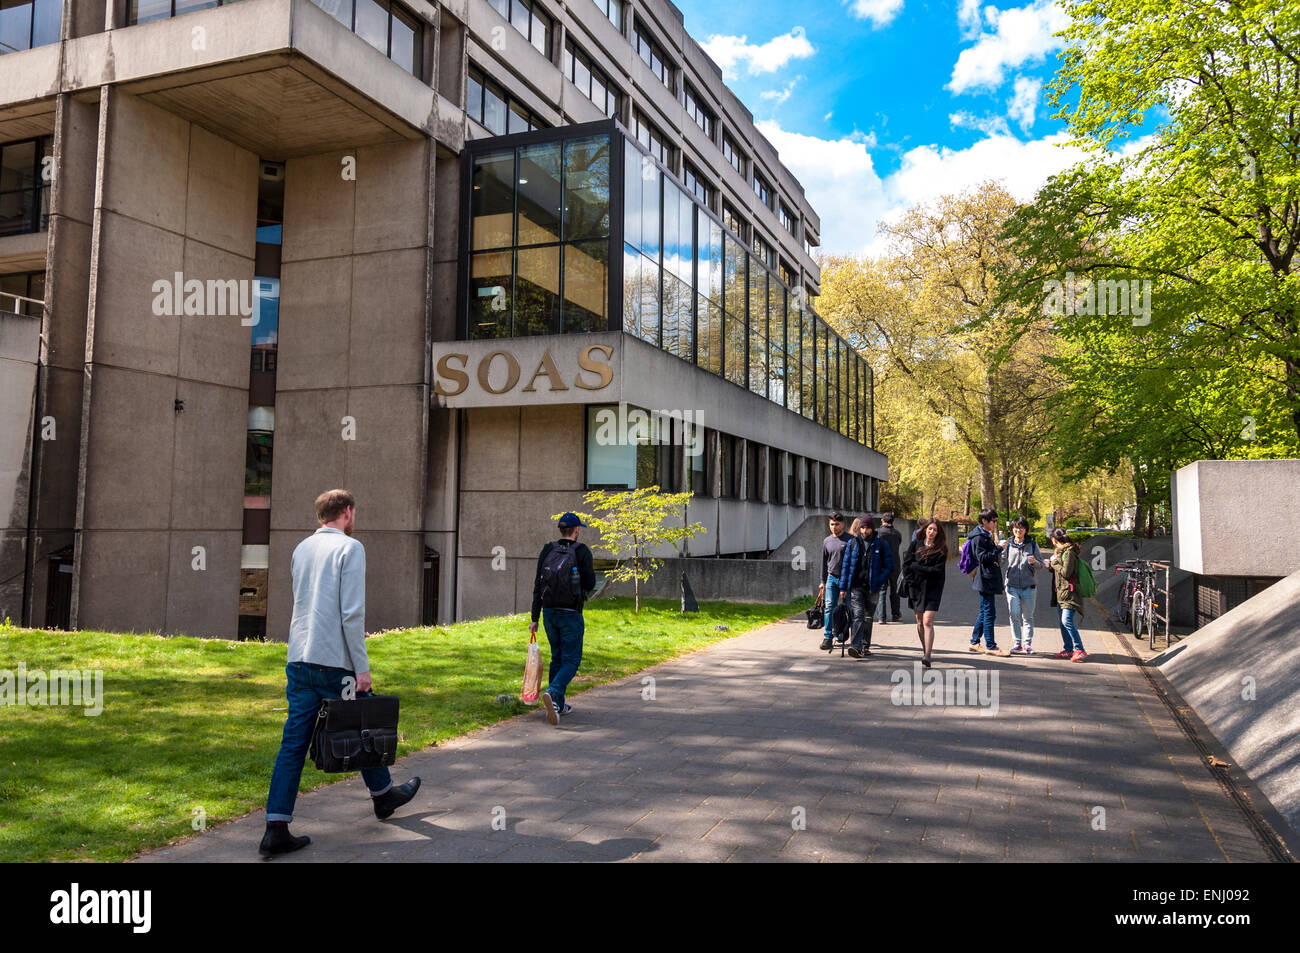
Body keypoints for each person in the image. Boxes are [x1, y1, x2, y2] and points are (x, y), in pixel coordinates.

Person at [260, 489, 421, 858]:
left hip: (299, 658)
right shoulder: (351, 548)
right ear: (347, 513)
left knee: (293, 743)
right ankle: (383, 796)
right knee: (362, 725)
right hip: (335, 663)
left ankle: (276, 826)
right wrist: (361, 668)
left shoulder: (301, 549)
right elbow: (351, 613)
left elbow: (309, 603)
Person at [531, 512, 597, 726]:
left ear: (561, 530)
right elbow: (590, 583)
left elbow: (538, 585)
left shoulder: (547, 550)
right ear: (576, 530)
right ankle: (553, 691)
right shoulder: (582, 551)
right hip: (571, 613)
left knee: (557, 657)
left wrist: (534, 617)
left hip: (549, 613)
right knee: (571, 660)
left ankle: (558, 705)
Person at [838, 515, 895, 658]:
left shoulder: (881, 544)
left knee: (868, 618)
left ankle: (865, 645)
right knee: (858, 616)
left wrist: (880, 579)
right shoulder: (852, 543)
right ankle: (855, 646)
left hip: (873, 587)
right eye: (862, 528)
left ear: (872, 528)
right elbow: (845, 567)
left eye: (867, 528)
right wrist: (843, 588)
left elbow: (889, 566)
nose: (864, 531)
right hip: (856, 587)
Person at [902, 519, 948, 668]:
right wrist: (910, 580)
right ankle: (925, 649)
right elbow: (907, 564)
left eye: (935, 530)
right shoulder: (916, 544)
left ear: (938, 532)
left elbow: (938, 571)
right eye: (930, 529)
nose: (932, 532)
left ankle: (928, 655)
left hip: (933, 589)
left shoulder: (942, 548)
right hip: (916, 587)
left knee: (928, 621)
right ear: (925, 530)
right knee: (920, 621)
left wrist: (918, 567)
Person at [965, 508, 1007, 655]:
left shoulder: (984, 534)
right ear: (984, 521)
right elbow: (982, 557)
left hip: (986, 578)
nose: (995, 523)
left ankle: (975, 642)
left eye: (996, 521)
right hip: (985, 578)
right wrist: (998, 548)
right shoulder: (979, 537)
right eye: (993, 521)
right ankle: (991, 646)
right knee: (989, 612)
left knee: (985, 611)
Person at [1000, 516, 1042, 655]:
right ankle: (1017, 642)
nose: (1018, 530)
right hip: (1011, 585)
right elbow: (1001, 561)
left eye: (1021, 527)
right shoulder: (1009, 544)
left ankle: (1027, 644)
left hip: (1029, 586)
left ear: (1026, 530)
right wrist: (999, 551)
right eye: (1016, 528)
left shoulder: (1033, 544)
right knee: (1014, 613)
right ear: (1012, 529)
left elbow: (1040, 565)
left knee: (1028, 616)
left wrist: (1034, 562)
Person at [1047, 528, 1087, 661]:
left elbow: (1066, 572)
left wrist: (1053, 562)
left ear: (1054, 540)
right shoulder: (1061, 552)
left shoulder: (1069, 552)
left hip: (1069, 593)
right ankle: (1068, 649)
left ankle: (1080, 649)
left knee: (1066, 620)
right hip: (1061, 593)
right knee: (1062, 622)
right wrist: (1051, 566)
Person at [817, 512, 853, 652]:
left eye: (837, 524)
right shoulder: (827, 541)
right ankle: (828, 636)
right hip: (832, 578)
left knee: (848, 608)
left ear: (843, 524)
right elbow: (824, 563)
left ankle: (844, 632)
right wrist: (823, 581)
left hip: (847, 580)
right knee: (829, 607)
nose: (834, 527)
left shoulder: (850, 540)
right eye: (832, 524)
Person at [874, 513, 903, 624]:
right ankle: (896, 614)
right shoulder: (897, 533)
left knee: (881, 590)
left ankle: (881, 617)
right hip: (894, 564)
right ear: (893, 522)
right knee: (895, 590)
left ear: (882, 521)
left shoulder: (877, 533)